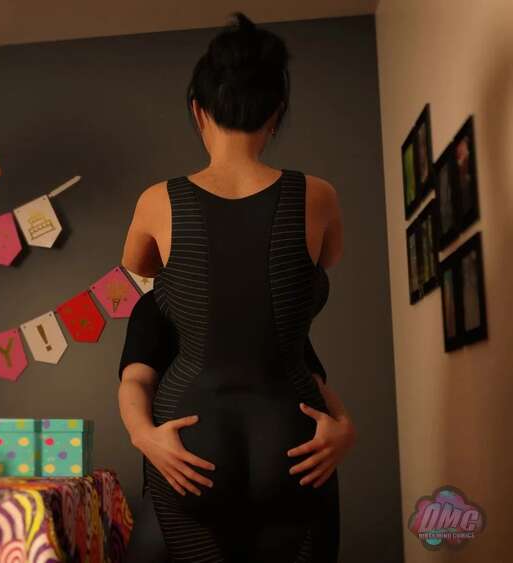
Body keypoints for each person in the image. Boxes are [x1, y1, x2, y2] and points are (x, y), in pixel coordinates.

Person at [118, 14, 356, 562]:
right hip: (296, 440)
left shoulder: (156, 200)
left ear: (198, 110)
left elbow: (138, 264)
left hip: (187, 443)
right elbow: (327, 260)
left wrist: (144, 435)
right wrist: (346, 425)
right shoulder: (319, 195)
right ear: (277, 113)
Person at [118, 290, 332, 562]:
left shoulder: (270, 305)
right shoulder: (159, 303)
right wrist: (142, 435)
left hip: (286, 481)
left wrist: (344, 425)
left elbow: (311, 379)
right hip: (181, 480)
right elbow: (136, 380)